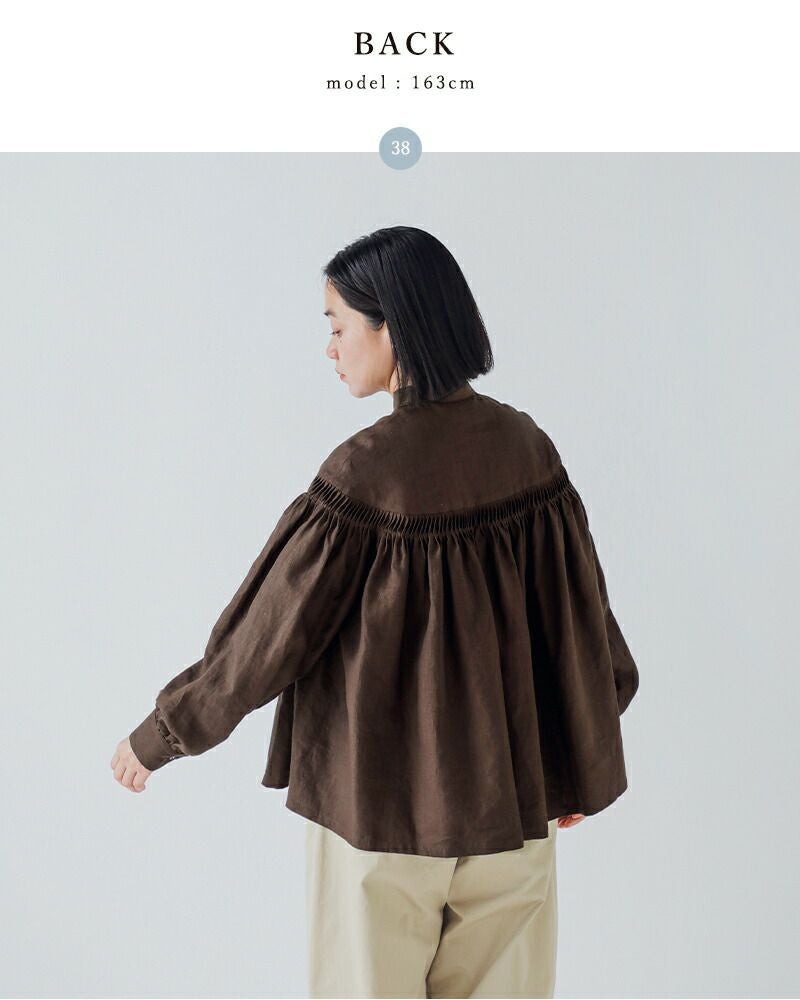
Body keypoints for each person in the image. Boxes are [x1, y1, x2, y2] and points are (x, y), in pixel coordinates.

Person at [111, 225, 640, 999]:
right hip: (513, 817)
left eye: (337, 325)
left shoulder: (363, 477)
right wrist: (573, 756)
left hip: (379, 820)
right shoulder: (529, 449)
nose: (329, 347)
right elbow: (583, 623)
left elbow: (265, 640)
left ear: (391, 327)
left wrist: (163, 734)